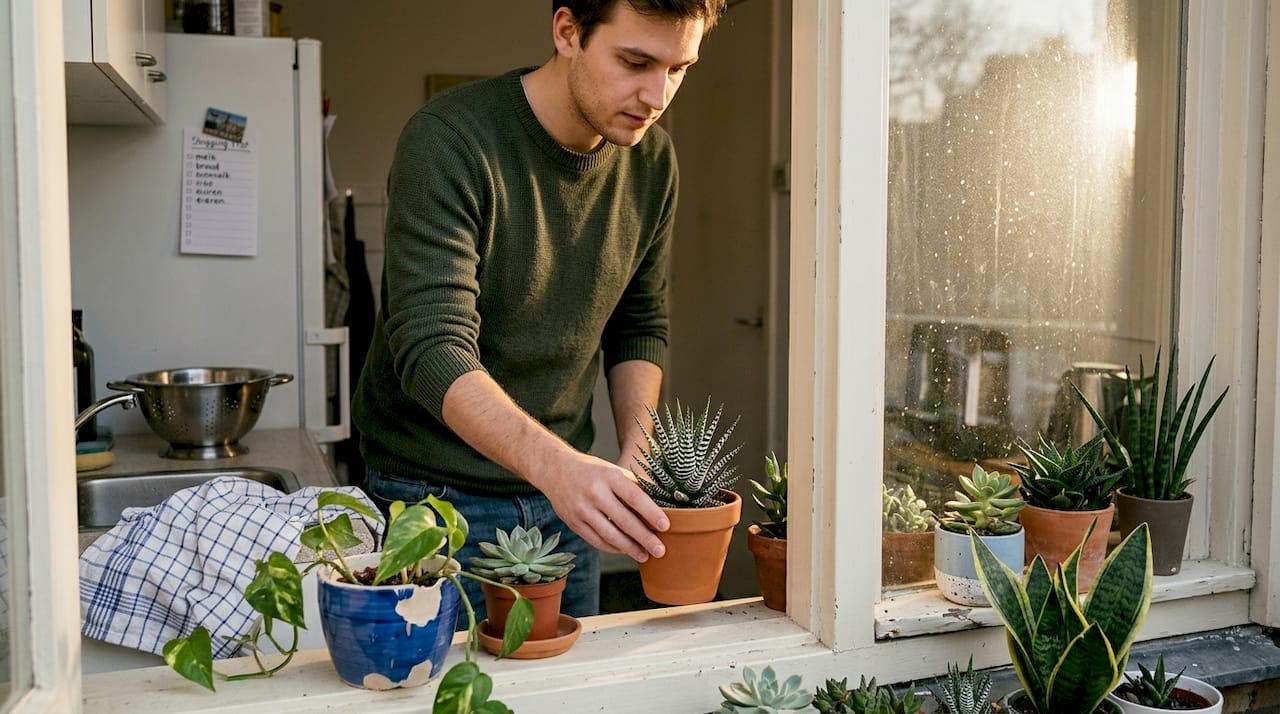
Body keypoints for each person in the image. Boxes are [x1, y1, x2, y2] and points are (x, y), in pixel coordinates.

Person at [350, 0, 726, 621]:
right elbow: (432, 350)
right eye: (635, 61)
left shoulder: (653, 161)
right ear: (568, 31)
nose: (657, 94)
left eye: (679, 69)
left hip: (563, 509)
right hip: (430, 503)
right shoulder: (450, 141)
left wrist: (639, 448)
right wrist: (563, 469)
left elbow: (639, 323)